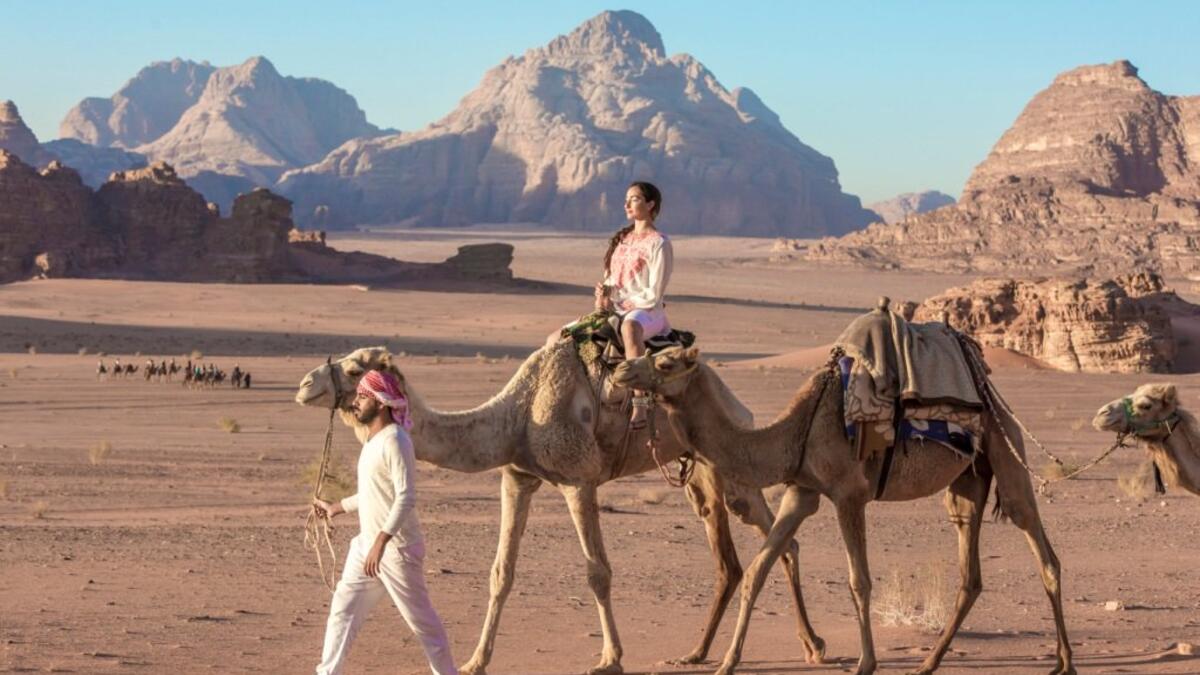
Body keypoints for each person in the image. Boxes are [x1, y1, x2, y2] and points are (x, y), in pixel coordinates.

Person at [311, 370, 456, 675]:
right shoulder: (373, 442)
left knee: (423, 626)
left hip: (396, 550)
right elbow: (373, 493)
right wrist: (336, 507)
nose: (356, 402)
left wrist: (381, 541)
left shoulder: (396, 441)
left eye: (363, 396)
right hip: (367, 546)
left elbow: (406, 496)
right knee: (342, 610)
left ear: (379, 402)